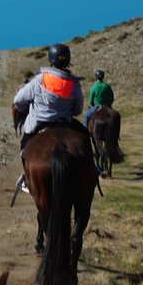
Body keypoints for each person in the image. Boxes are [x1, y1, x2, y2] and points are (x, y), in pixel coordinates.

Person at [13, 43, 100, 191]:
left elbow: (18, 100)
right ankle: (92, 168)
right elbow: (78, 110)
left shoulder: (40, 79)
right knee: (85, 136)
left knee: (25, 146)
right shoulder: (74, 84)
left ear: (50, 60)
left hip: (38, 124)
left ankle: (27, 178)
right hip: (64, 124)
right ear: (67, 61)